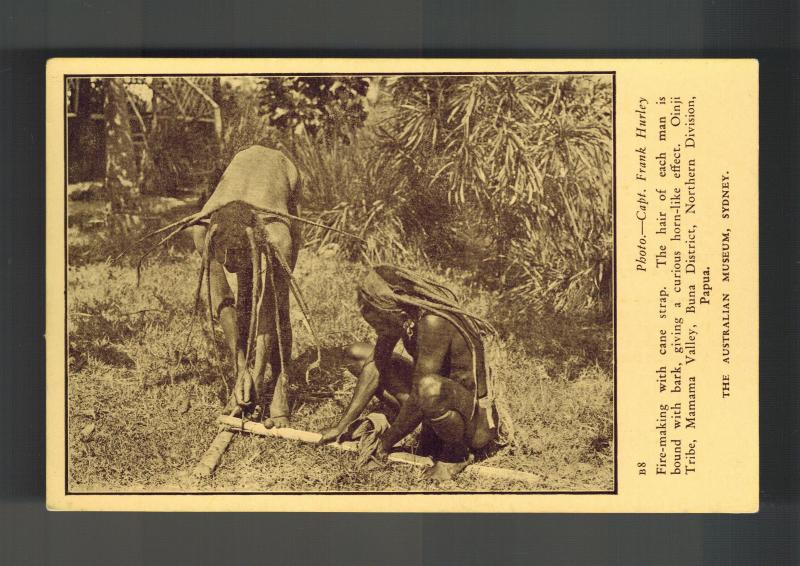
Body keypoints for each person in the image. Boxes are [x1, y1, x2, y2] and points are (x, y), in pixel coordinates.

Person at [319, 265, 500, 480]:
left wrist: (383, 446)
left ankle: (455, 455)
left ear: (390, 307)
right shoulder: (403, 316)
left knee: (428, 387)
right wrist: (342, 425)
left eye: (377, 317)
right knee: (357, 354)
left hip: (472, 421)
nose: (377, 327)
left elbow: (419, 391)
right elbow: (377, 364)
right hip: (434, 402)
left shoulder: (434, 321)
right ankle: (426, 430)